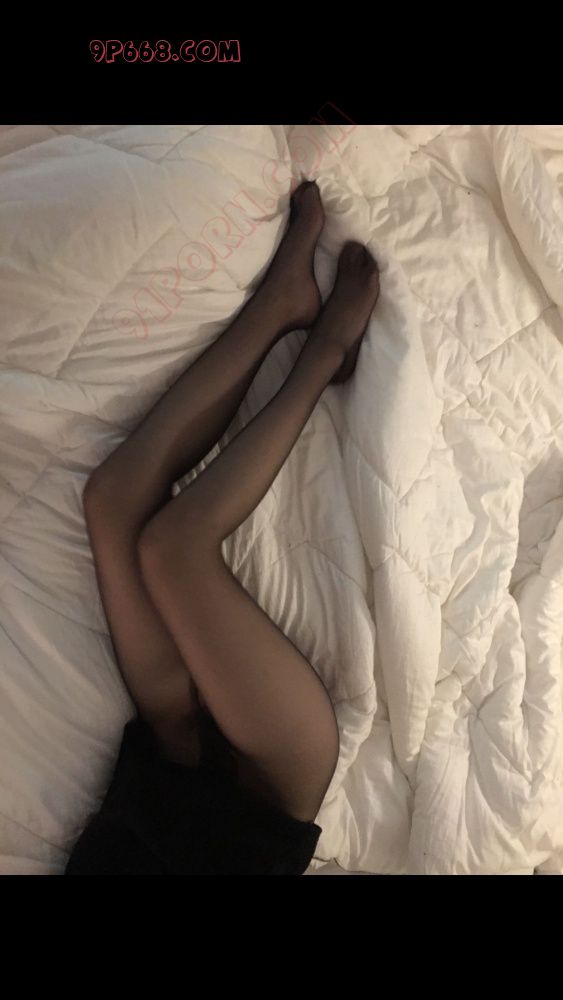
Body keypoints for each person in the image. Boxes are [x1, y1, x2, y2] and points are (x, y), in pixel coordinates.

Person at [64, 179, 381, 875]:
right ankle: (325, 353)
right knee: (172, 548)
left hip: (170, 745)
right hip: (270, 787)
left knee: (110, 502)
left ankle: (282, 305)